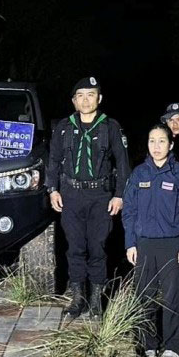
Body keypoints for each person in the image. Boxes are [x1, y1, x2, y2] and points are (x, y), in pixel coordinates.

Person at [46, 76, 131, 319]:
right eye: (80, 96)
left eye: (90, 95)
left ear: (99, 99)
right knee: (75, 248)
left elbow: (122, 164)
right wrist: (53, 189)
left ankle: (96, 301)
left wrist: (119, 195)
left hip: (100, 196)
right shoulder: (64, 127)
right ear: (74, 101)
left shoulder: (110, 127)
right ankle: (78, 299)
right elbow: (53, 161)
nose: (85, 100)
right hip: (71, 195)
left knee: (97, 247)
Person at [123, 124, 179, 357]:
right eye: (152, 141)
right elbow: (129, 211)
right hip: (144, 244)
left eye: (161, 141)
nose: (156, 146)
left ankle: (174, 346)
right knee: (143, 295)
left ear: (171, 144)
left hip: (172, 245)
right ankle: (148, 343)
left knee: (173, 296)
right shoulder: (139, 174)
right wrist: (130, 243)